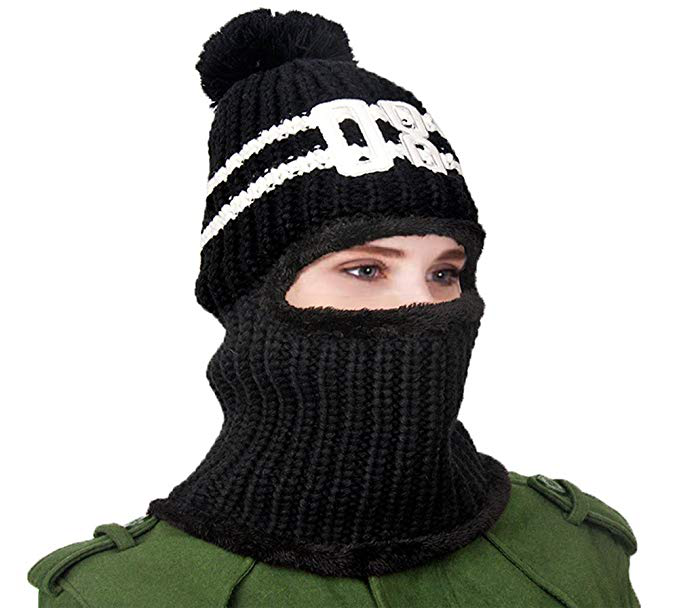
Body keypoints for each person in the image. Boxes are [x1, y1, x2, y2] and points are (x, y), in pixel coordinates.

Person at [26, 8, 640, 607]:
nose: (422, 304)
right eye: (366, 269)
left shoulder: (576, 551)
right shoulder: (120, 596)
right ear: (253, 294)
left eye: (445, 272)